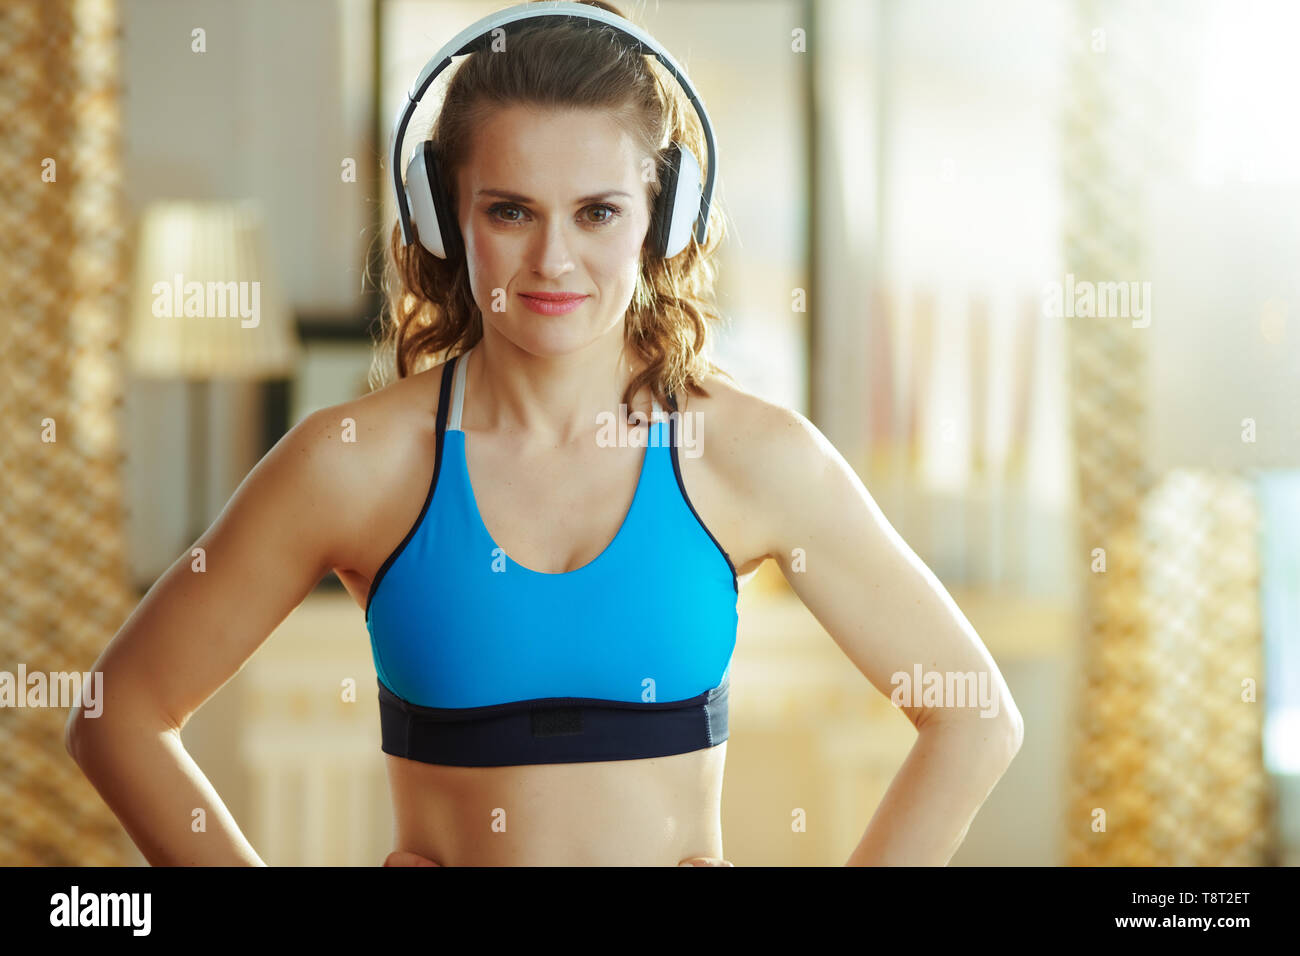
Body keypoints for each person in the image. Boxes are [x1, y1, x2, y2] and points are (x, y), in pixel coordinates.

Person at [66, 0, 1023, 867]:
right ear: (446, 219)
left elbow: (975, 719)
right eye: (510, 210)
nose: (553, 260)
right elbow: (118, 718)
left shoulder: (752, 457)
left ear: (664, 219)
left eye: (599, 211)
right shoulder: (352, 462)